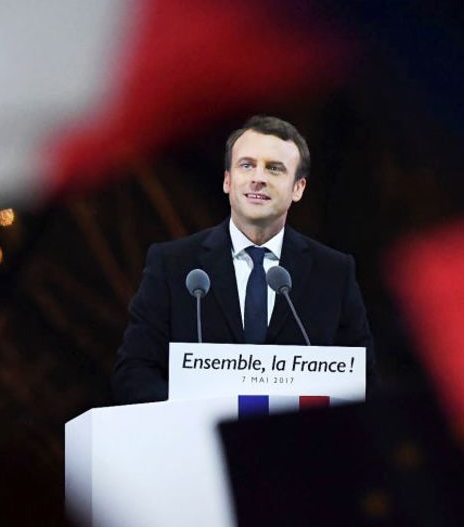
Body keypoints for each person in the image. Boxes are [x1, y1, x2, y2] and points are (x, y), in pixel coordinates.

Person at [111, 115, 375, 404]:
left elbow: (362, 377)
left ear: (298, 188)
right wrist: (186, 415)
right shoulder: (174, 265)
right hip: (201, 443)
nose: (258, 178)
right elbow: (134, 371)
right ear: (227, 180)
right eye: (246, 165)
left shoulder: (333, 272)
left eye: (274, 169)